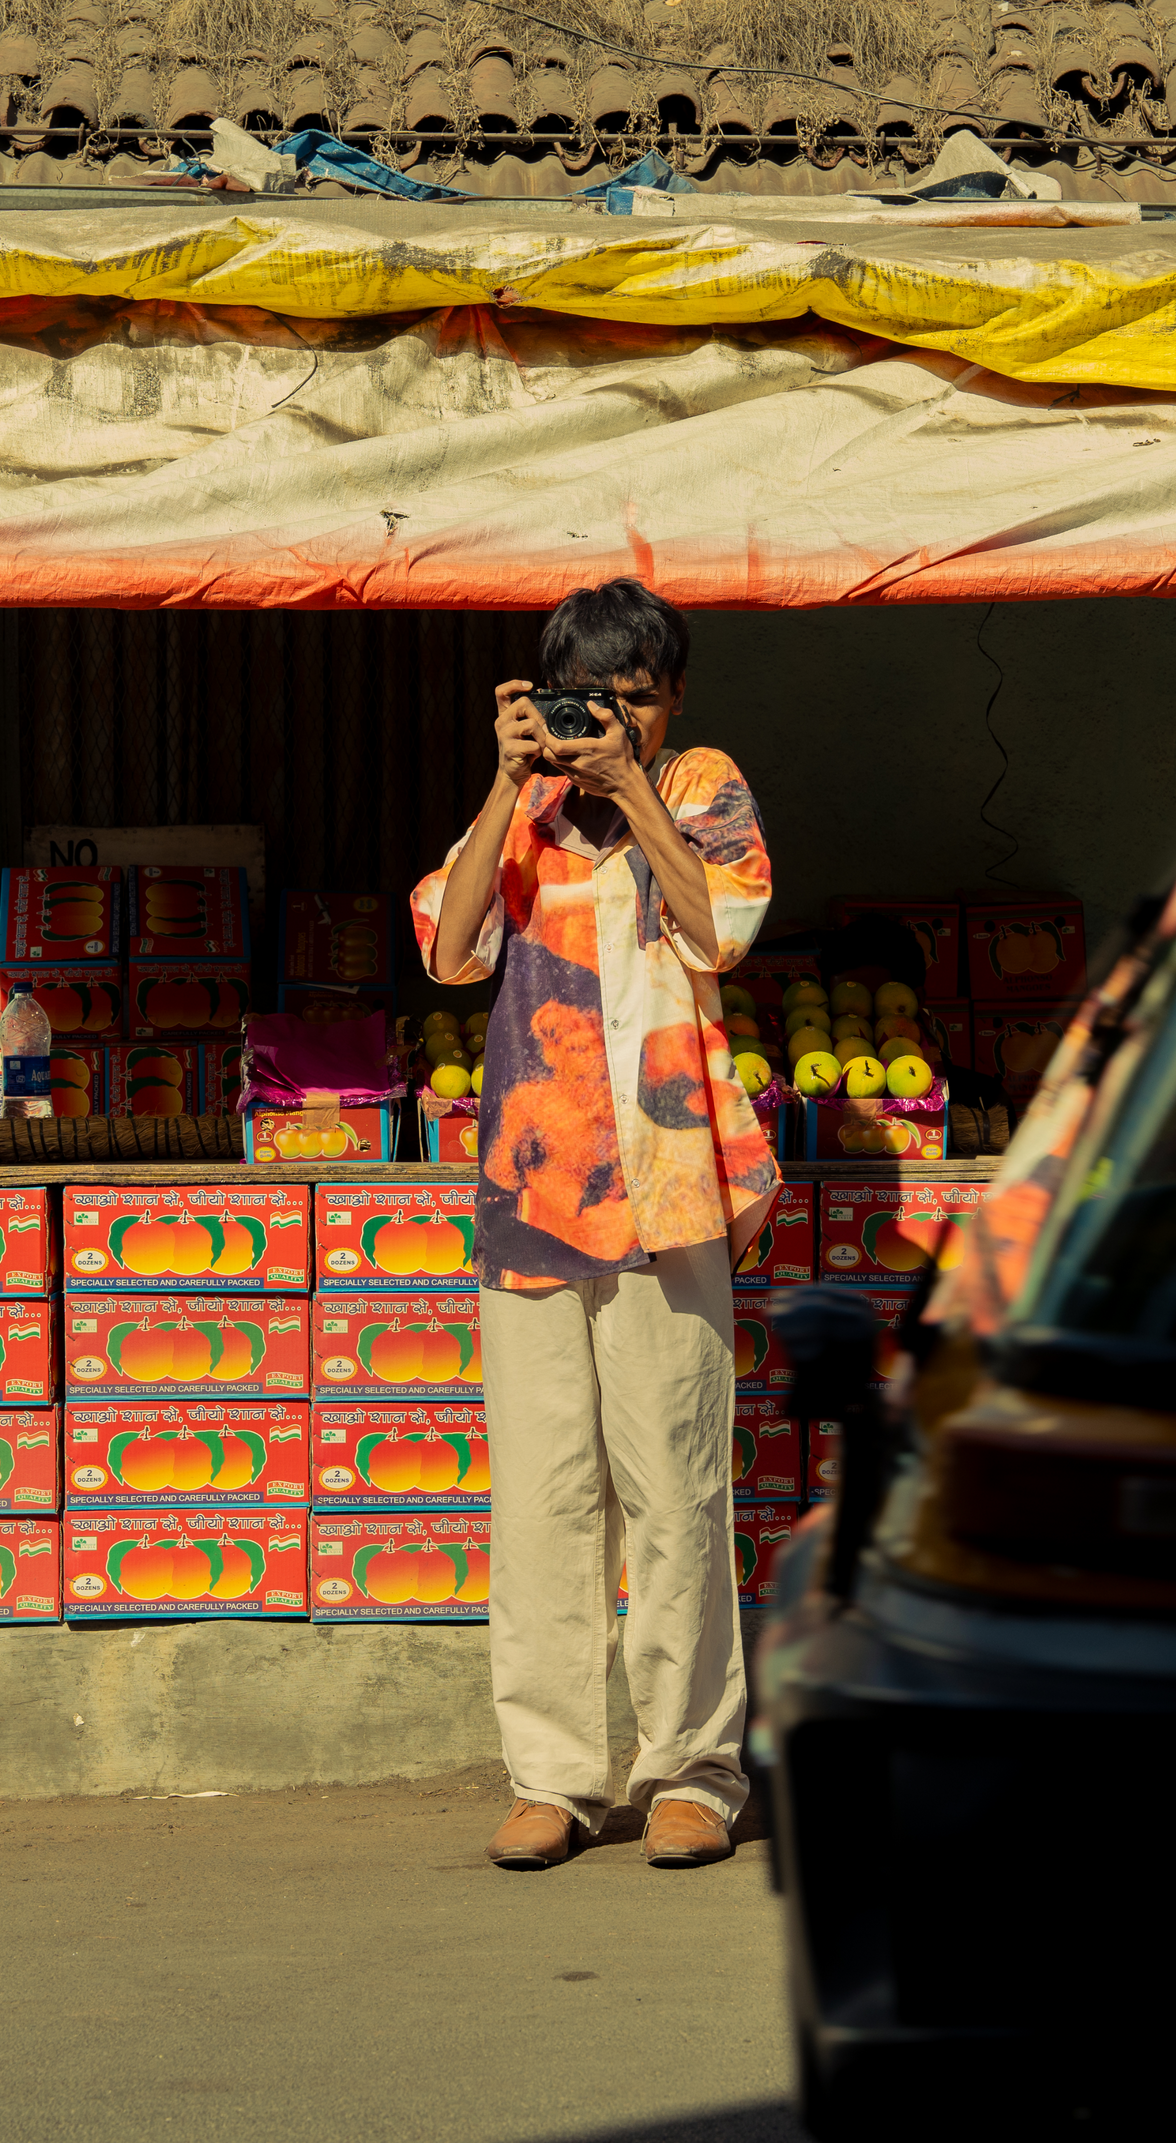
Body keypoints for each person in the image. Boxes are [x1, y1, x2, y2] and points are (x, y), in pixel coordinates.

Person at [410, 577, 779, 1871]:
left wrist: (631, 787)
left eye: (629, 699)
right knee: (546, 1496)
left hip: (668, 1189)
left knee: (675, 1487)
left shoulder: (699, 788)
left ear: (669, 701)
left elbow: (722, 931)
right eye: (582, 702)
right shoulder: (529, 812)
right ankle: (556, 1774)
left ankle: (692, 1768)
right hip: (531, 1196)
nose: (603, 721)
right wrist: (512, 784)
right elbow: (448, 950)